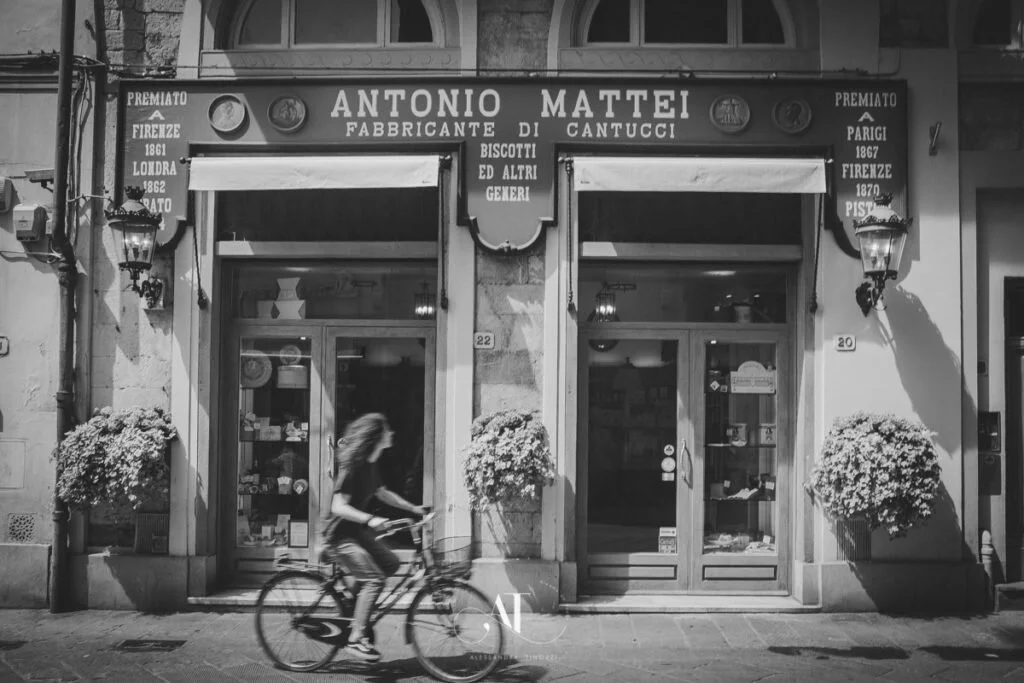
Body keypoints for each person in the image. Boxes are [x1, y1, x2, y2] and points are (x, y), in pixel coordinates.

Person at [322, 413, 427, 662]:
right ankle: (356, 638)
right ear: (377, 437)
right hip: (339, 537)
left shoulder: (371, 463)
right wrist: (370, 519)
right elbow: (338, 506)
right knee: (374, 580)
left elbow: (383, 493)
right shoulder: (354, 465)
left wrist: (414, 509)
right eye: (387, 430)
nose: (391, 433)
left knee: (391, 564)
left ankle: (354, 607)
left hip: (355, 533)